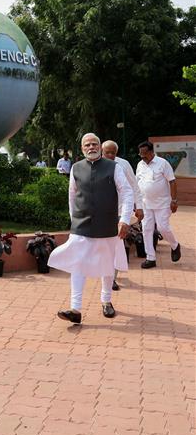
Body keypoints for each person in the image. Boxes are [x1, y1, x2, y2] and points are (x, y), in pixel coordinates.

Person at [48, 133, 132, 324]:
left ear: (100, 147)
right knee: (78, 262)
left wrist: (125, 219)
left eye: (94, 144)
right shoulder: (76, 168)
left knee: (107, 263)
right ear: (82, 148)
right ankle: (75, 309)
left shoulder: (114, 167)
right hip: (81, 224)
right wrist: (74, 220)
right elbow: (72, 195)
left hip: (108, 223)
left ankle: (106, 300)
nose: (91, 147)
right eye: (87, 145)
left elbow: (127, 192)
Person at [102, 140, 144, 291]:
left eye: (114, 153)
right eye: (108, 152)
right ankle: (106, 274)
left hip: (120, 213)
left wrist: (139, 206)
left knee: (116, 246)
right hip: (101, 214)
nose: (111, 155)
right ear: (102, 152)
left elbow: (134, 186)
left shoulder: (123, 165)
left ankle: (111, 278)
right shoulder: (94, 165)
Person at [135, 141, 180, 268]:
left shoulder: (163, 163)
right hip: (145, 204)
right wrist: (136, 203)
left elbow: (172, 181)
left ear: (151, 152)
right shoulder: (140, 165)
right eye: (140, 154)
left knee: (162, 227)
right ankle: (151, 258)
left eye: (144, 154)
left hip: (163, 203)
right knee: (147, 229)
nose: (142, 156)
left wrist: (174, 200)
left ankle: (175, 246)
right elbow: (137, 184)